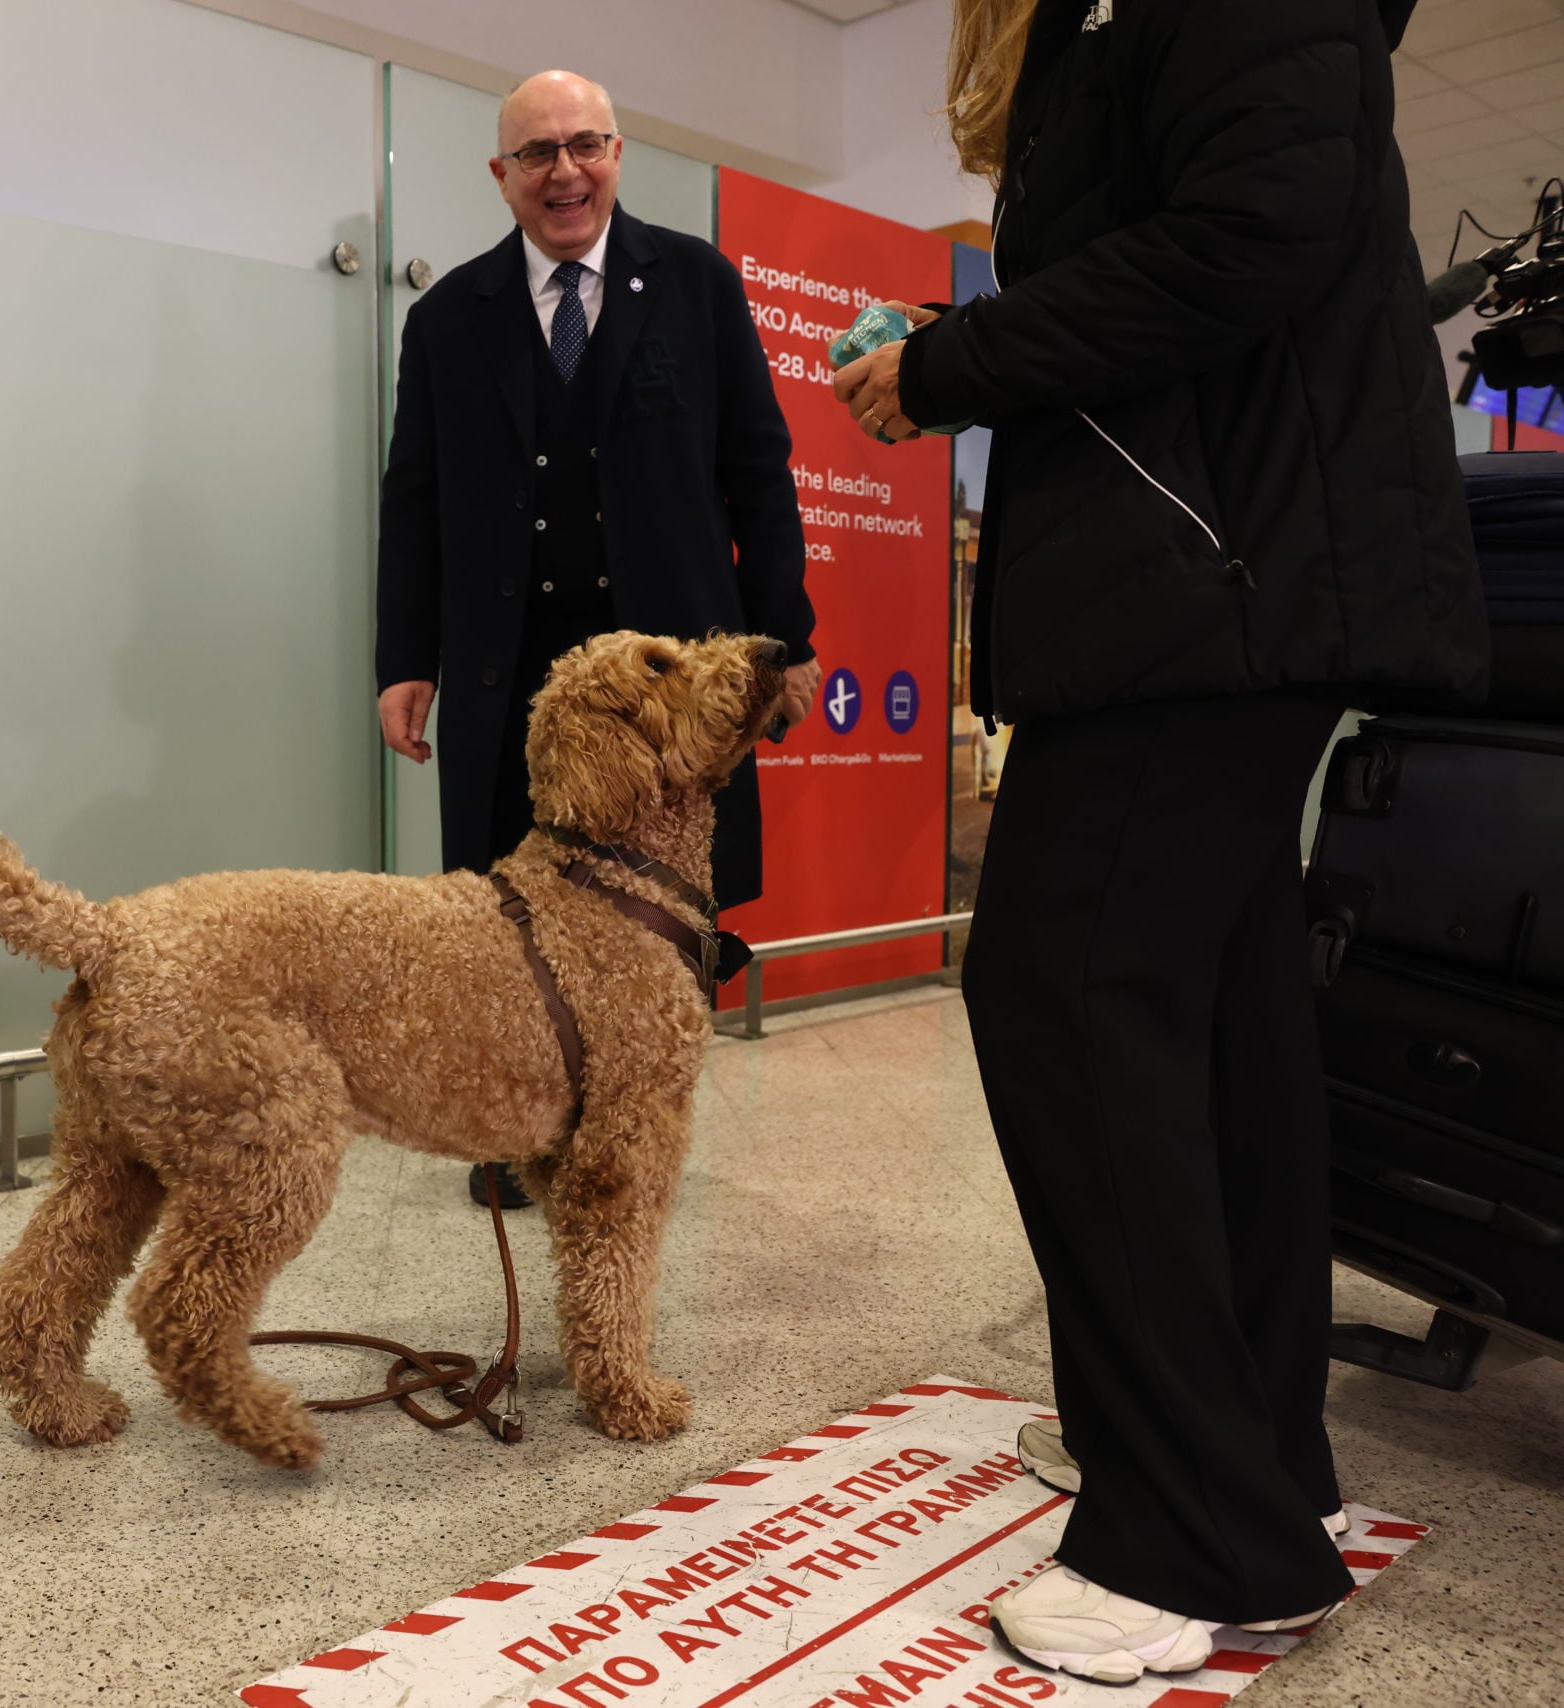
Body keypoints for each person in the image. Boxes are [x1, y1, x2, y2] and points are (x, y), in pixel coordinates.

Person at [833, 0, 1487, 1681]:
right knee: (1217, 1012)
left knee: (1065, 983)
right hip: (1215, 569)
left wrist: (951, 363)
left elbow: (1251, 228)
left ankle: (1193, 1530)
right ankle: (1254, 1460)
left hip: (1211, 578)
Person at [375, 69, 821, 1209]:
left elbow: (757, 474)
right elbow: (413, 499)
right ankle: (510, 1125)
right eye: (537, 153)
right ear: (501, 174)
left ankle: (639, 1113)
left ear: (618, 153)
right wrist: (404, 657)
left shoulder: (698, 285)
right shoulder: (445, 318)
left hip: (668, 675)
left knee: (663, 892)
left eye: (585, 145)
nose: (564, 170)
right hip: (506, 666)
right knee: (502, 912)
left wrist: (786, 640)